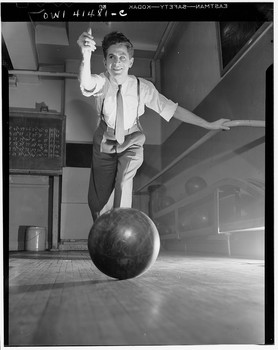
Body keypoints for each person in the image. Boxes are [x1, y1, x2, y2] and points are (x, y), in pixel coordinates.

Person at [77, 29, 231, 221]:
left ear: (130, 62)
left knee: (124, 180)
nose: (117, 63)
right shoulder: (101, 82)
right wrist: (85, 55)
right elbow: (87, 83)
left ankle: (119, 227)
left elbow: (173, 110)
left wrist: (209, 124)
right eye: (112, 57)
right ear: (105, 62)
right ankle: (102, 228)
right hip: (105, 140)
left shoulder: (143, 87)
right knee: (98, 200)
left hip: (132, 138)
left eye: (122, 57)